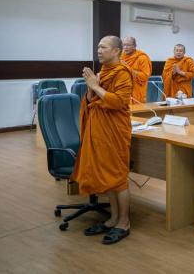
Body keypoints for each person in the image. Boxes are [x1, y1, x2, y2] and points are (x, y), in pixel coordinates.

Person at [71, 36, 133, 245]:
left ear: (116, 51)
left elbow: (119, 102)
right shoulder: (103, 72)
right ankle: (113, 218)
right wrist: (91, 88)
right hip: (99, 128)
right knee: (108, 176)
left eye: (103, 47)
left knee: (118, 177)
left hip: (114, 130)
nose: (98, 50)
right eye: (98, 46)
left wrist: (95, 86)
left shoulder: (123, 72)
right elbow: (91, 101)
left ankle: (124, 222)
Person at [121, 37, 152, 103]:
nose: (125, 47)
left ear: (134, 46)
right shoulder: (121, 57)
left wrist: (129, 69)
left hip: (137, 92)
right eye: (124, 45)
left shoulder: (142, 58)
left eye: (128, 45)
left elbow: (145, 76)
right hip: (123, 90)